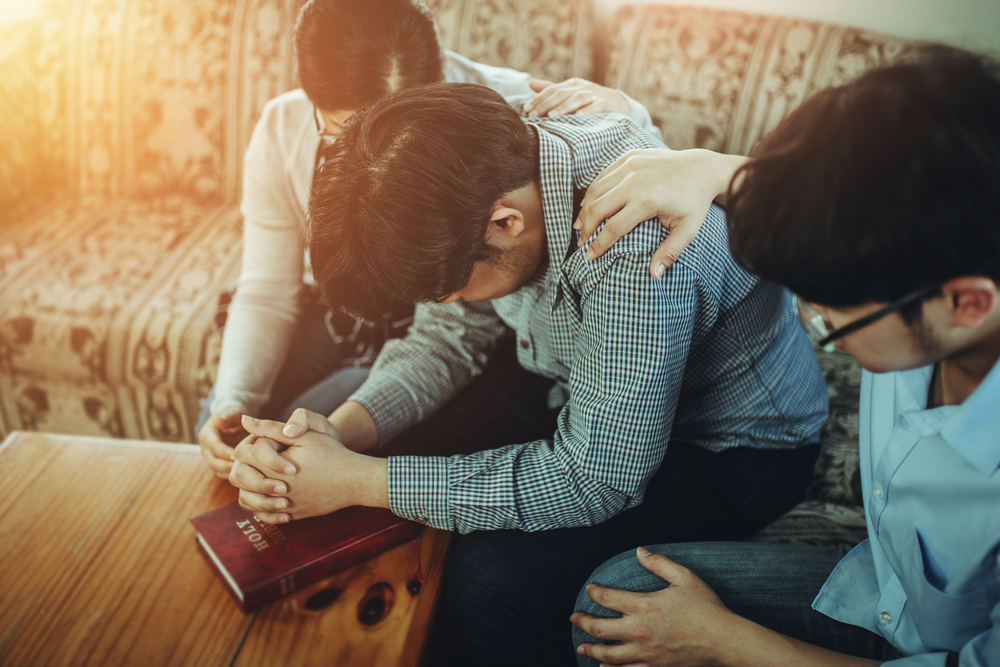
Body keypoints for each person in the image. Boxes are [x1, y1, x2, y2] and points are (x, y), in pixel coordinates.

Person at [225, 81, 828, 666]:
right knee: (359, 429)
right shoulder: (493, 155)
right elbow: (449, 337)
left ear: (505, 223)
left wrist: (359, 481)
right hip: (570, 371)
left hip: (732, 447)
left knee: (490, 583)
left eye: (451, 289)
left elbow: (598, 479)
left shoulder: (635, 255)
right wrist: (340, 436)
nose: (449, 304)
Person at [570, 49, 1000, 666]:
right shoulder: (932, 247)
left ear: (965, 304)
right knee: (623, 604)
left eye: (833, 316)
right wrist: (707, 168)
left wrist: (723, 641)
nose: (817, 322)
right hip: (882, 585)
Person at [195, 0, 663, 479]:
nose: (373, 152)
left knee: (312, 453)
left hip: (453, 321)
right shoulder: (282, 127)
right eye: (345, 130)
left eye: (402, 132)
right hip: (360, 314)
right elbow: (268, 290)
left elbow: (633, 151)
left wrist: (632, 113)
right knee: (242, 433)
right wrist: (237, 400)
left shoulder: (508, 124)